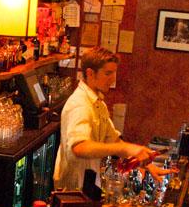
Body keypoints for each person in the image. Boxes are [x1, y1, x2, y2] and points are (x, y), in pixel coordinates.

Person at [53, 47, 173, 190]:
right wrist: (127, 148)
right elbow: (79, 148)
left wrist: (147, 164)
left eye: (114, 72)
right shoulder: (80, 105)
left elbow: (114, 140)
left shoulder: (99, 104)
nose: (113, 79)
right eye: (108, 73)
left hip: (88, 187)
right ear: (90, 73)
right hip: (72, 193)